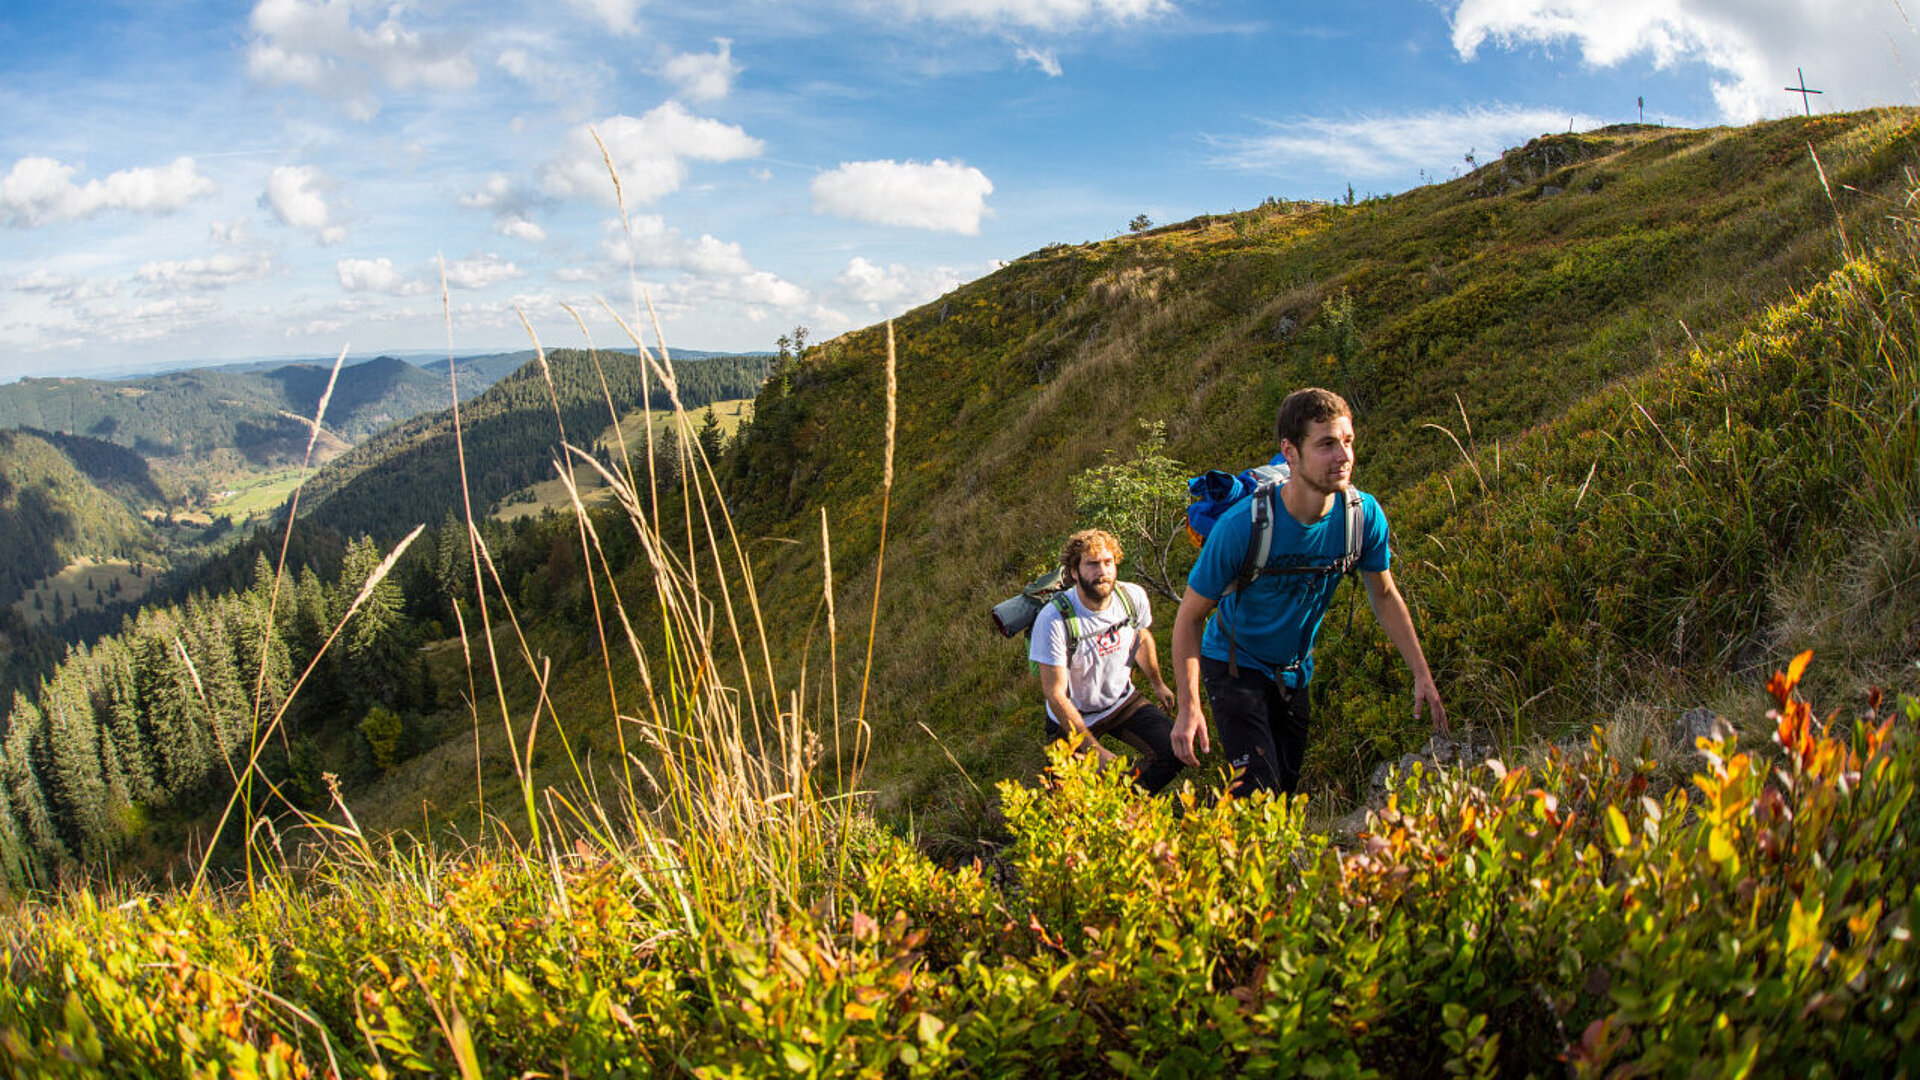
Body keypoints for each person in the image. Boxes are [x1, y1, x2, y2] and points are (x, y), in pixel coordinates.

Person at [1171, 388, 1446, 796]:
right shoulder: (1241, 527)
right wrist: (1188, 704)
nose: (1344, 456)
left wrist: (1422, 674)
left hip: (1295, 672)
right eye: (1326, 444)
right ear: (1291, 452)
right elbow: (1190, 618)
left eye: (1348, 441)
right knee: (1258, 794)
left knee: (1283, 792)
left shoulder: (1361, 516)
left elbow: (1385, 596)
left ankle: (1216, 850)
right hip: (1232, 664)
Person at [1030, 529, 1185, 794]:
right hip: (1071, 713)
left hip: (1121, 701)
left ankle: (1126, 804)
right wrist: (1095, 750)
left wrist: (1157, 684)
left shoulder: (1131, 597)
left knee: (1175, 750)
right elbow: (1055, 695)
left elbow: (1142, 639)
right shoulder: (1053, 619)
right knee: (1063, 804)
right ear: (1074, 572)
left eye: (1108, 562)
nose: (1102, 571)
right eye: (1092, 564)